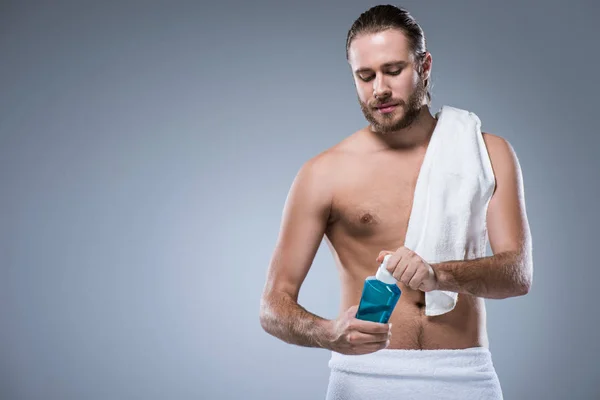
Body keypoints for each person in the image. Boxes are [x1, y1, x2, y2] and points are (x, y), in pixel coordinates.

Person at [259, 5, 532, 399]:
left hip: (465, 375)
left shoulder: (486, 153)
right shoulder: (324, 173)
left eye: (393, 70)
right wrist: (328, 333)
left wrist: (439, 276)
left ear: (424, 66)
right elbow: (273, 306)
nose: (379, 89)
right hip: (365, 378)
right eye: (365, 76)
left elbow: (518, 275)